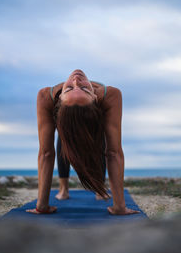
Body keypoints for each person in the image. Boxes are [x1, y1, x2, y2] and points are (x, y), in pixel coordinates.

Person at [26, 69, 139, 215]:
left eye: (85, 88)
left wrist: (119, 206)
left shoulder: (109, 96)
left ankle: (100, 189)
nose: (76, 80)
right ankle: (63, 189)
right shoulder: (46, 97)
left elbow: (113, 152)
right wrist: (41, 205)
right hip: (65, 119)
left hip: (94, 118)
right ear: (59, 99)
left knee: (102, 139)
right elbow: (46, 153)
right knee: (65, 139)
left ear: (95, 96)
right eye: (69, 88)